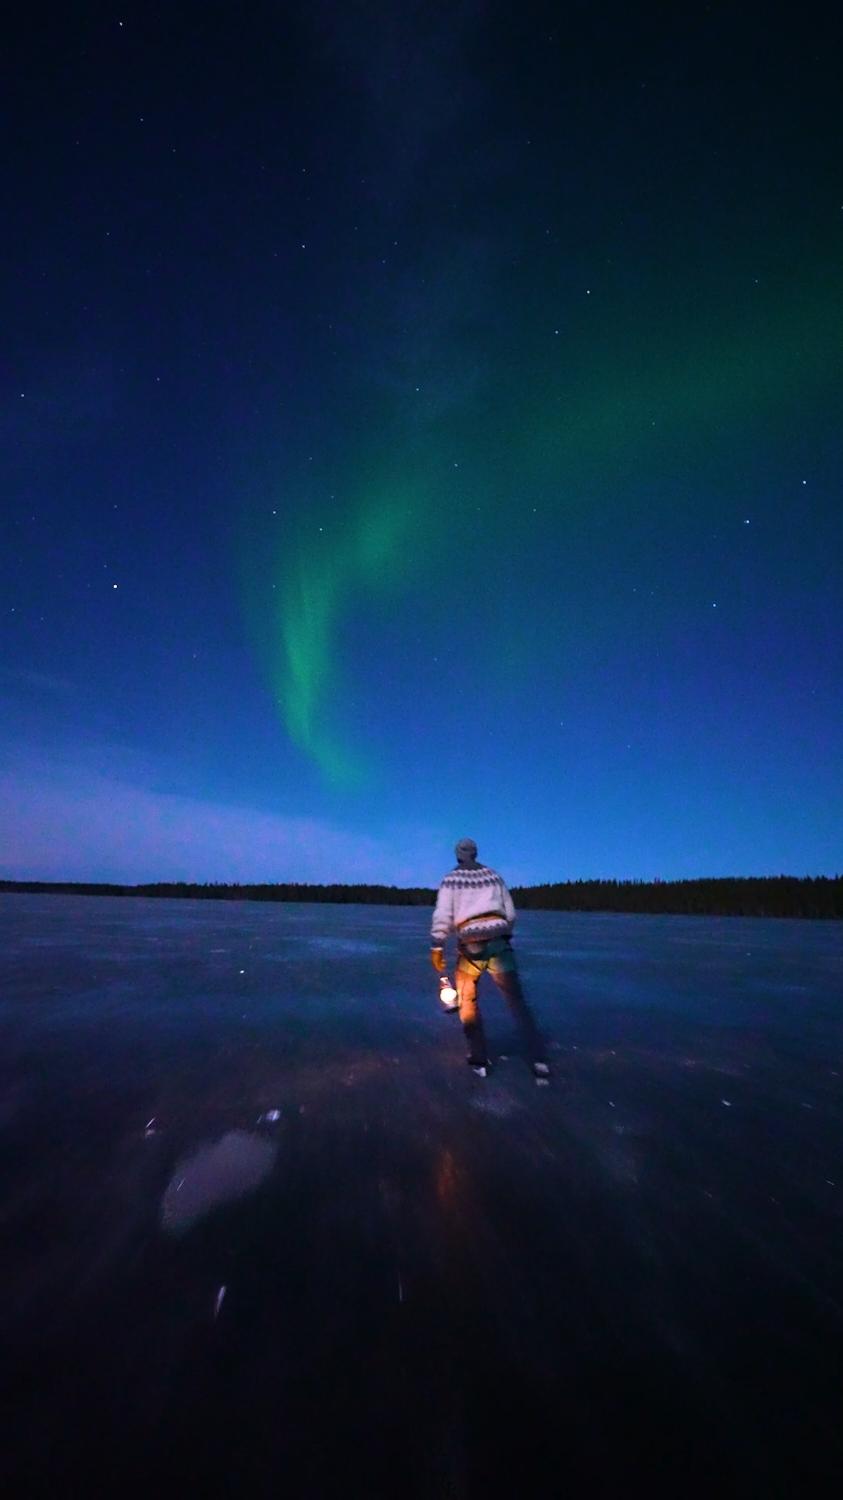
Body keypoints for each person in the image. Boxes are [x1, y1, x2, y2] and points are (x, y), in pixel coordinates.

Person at [430, 838, 549, 1082]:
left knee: (467, 1002)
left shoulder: (451, 879)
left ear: (458, 855)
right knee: (517, 1002)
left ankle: (479, 1060)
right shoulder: (493, 876)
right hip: (499, 944)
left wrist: (437, 945)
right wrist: (504, 933)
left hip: (470, 948)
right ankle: (538, 1058)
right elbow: (510, 912)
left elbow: (443, 914)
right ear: (476, 853)